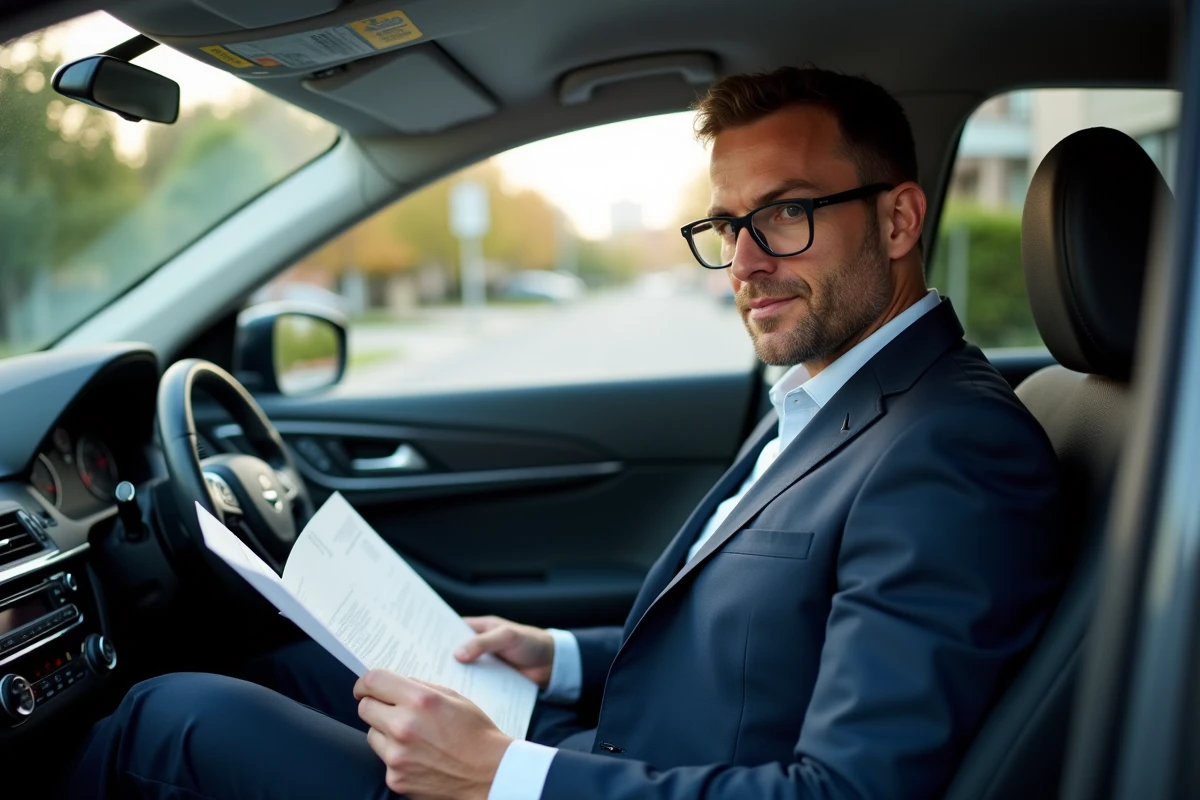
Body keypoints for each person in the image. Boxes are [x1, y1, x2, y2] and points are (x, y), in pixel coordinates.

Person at [64, 66, 1062, 800]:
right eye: (726, 225)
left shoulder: (954, 448)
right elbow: (762, 636)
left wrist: (508, 776)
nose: (746, 261)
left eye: (788, 213)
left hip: (597, 781)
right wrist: (557, 655)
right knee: (290, 669)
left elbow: (846, 793)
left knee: (173, 719)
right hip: (615, 745)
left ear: (897, 221)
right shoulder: (832, 391)